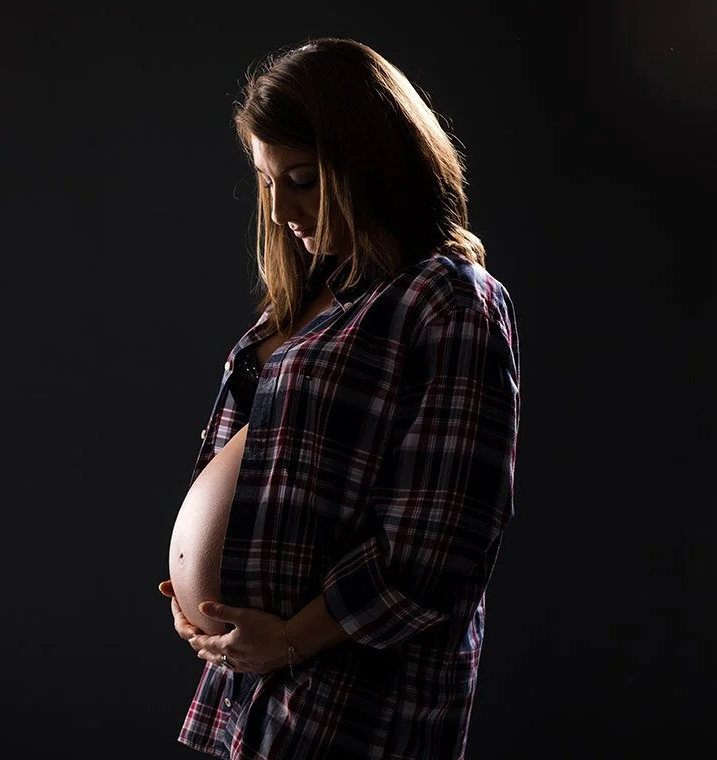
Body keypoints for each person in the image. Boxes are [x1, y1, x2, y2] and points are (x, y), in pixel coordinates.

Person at [158, 37, 521, 759]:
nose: (279, 205)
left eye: (301, 177)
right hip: (249, 695)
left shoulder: (446, 300)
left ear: (372, 164)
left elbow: (444, 543)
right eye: (265, 180)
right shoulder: (311, 298)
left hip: (353, 705)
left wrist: (290, 639)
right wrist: (197, 593)